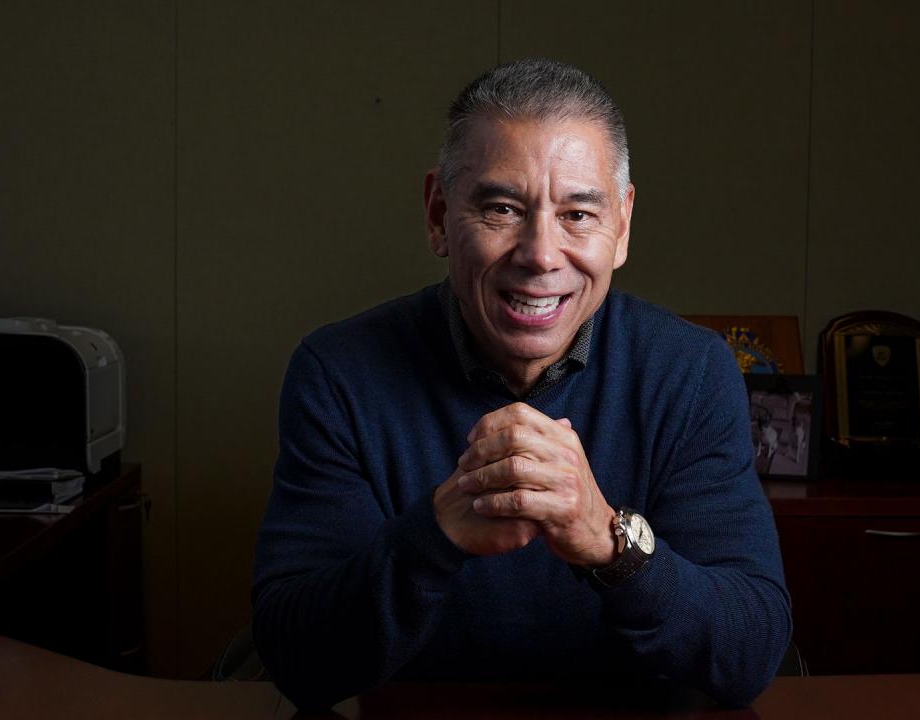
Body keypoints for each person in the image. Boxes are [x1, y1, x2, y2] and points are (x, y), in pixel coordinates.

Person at [252, 58, 791, 712]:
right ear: (438, 213)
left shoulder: (690, 372)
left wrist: (607, 542)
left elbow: (749, 654)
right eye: (503, 208)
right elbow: (298, 660)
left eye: (578, 215)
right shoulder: (338, 374)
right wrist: (437, 533)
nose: (540, 254)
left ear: (621, 225)